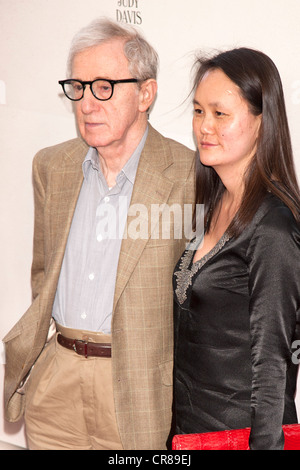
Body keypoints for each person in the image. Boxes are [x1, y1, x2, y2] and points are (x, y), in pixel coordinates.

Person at [3, 18, 195, 450]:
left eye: (104, 87)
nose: (87, 104)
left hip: (139, 391)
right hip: (57, 383)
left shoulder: (190, 174)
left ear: (145, 93)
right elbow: (43, 271)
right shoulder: (52, 167)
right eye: (79, 87)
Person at [172, 47, 300, 450]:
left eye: (220, 113)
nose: (204, 127)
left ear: (263, 123)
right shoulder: (211, 203)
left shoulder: (274, 227)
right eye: (197, 111)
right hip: (187, 432)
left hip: (236, 438)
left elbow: (273, 368)